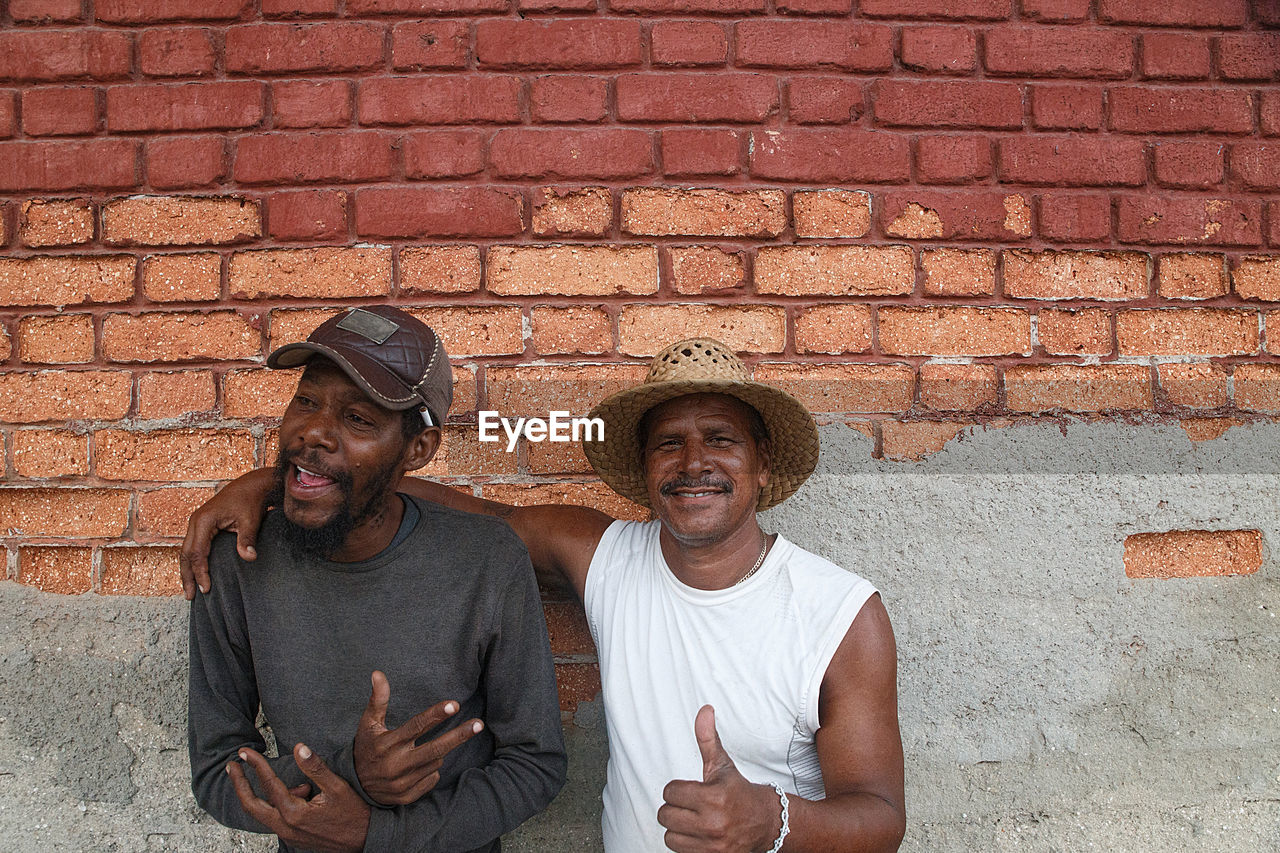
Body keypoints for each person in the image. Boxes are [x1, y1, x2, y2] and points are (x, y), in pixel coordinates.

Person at [185, 337, 905, 853]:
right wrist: (281, 485)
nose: (693, 464)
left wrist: (771, 820)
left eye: (721, 439)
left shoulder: (838, 613)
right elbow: (467, 515)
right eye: (668, 444)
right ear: (645, 467)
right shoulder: (608, 558)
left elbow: (881, 818)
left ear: (762, 462)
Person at [187, 306, 565, 853]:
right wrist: (352, 775)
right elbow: (217, 773)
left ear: (417, 450)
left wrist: (379, 833)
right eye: (306, 401)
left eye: (359, 419)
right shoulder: (236, 561)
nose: (314, 431)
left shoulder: (486, 560)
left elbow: (535, 765)